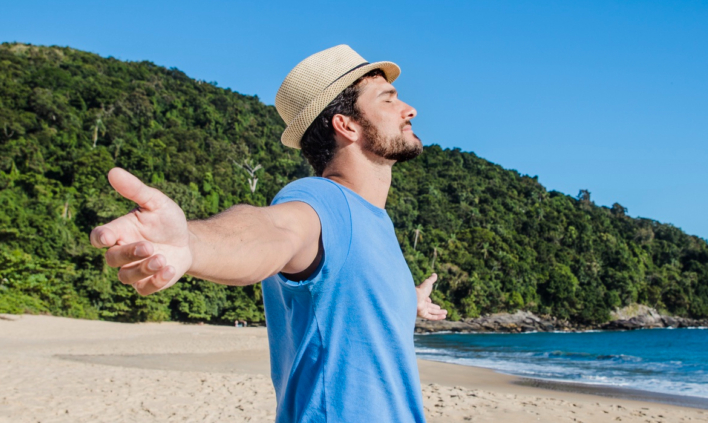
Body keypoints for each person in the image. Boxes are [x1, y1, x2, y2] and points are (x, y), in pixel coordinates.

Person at [89, 45, 447, 422]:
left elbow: (347, 307)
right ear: (347, 125)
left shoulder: (372, 221)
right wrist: (191, 243)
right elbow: (273, 229)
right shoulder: (320, 199)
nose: (410, 109)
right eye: (388, 99)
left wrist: (408, 301)